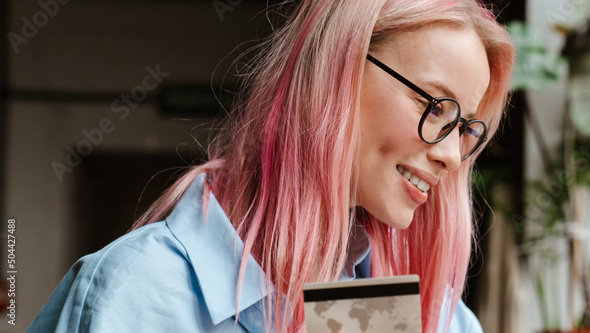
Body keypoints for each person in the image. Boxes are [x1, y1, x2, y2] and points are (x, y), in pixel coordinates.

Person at [26, 0, 514, 331]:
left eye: (467, 128)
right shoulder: (140, 292)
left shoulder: (437, 318)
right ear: (335, 72)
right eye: (434, 106)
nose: (451, 156)